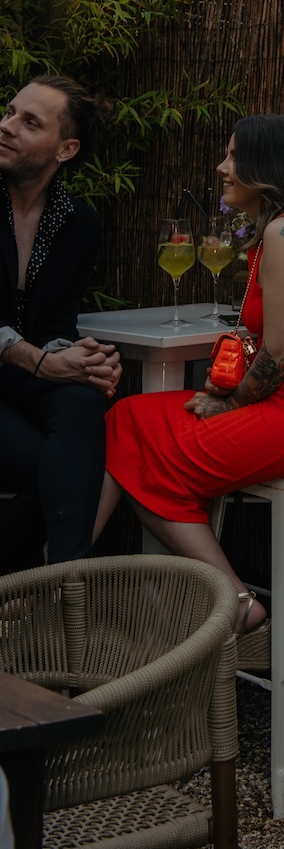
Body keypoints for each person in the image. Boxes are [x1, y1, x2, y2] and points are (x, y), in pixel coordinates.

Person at [94, 115, 284, 646]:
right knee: (126, 419)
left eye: (234, 156)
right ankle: (229, 599)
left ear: (268, 167)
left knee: (133, 445)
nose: (222, 167)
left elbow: (280, 352)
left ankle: (68, 574)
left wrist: (231, 402)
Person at [0, 74, 121, 572]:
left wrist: (82, 359)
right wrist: (46, 362)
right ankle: (58, 586)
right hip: (17, 370)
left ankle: (64, 579)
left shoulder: (78, 222)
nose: (6, 126)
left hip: (15, 377)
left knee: (82, 398)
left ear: (65, 148)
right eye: (9, 112)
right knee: (60, 470)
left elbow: (56, 319)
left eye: (29, 122)